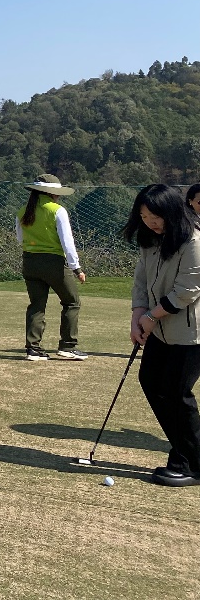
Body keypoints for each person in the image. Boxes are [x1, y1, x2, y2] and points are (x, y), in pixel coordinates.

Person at [125, 184, 200, 487]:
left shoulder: (193, 240)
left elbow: (187, 291)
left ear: (171, 211)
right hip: (160, 329)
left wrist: (150, 317)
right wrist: (137, 318)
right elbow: (141, 281)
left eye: (155, 216)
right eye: (143, 217)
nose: (150, 223)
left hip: (192, 333)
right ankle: (183, 453)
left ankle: (193, 464)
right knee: (151, 382)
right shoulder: (150, 240)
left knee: (176, 392)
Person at [16, 174, 87, 362]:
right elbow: (67, 243)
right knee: (71, 302)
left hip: (29, 262)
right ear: (52, 193)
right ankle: (67, 347)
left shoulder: (22, 211)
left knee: (36, 305)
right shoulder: (57, 211)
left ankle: (33, 349)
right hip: (53, 262)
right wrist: (77, 269)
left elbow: (20, 239)